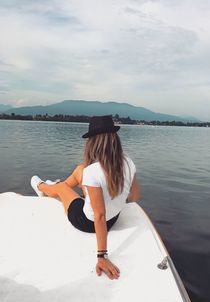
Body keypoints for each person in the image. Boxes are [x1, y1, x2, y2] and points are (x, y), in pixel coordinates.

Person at [30, 115, 140, 280]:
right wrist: (113, 199)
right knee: (80, 170)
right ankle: (55, 188)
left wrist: (101, 256)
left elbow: (100, 216)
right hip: (114, 218)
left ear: (93, 143)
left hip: (86, 222)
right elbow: (134, 196)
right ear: (115, 139)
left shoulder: (93, 172)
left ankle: (41, 187)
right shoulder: (128, 163)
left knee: (62, 187)